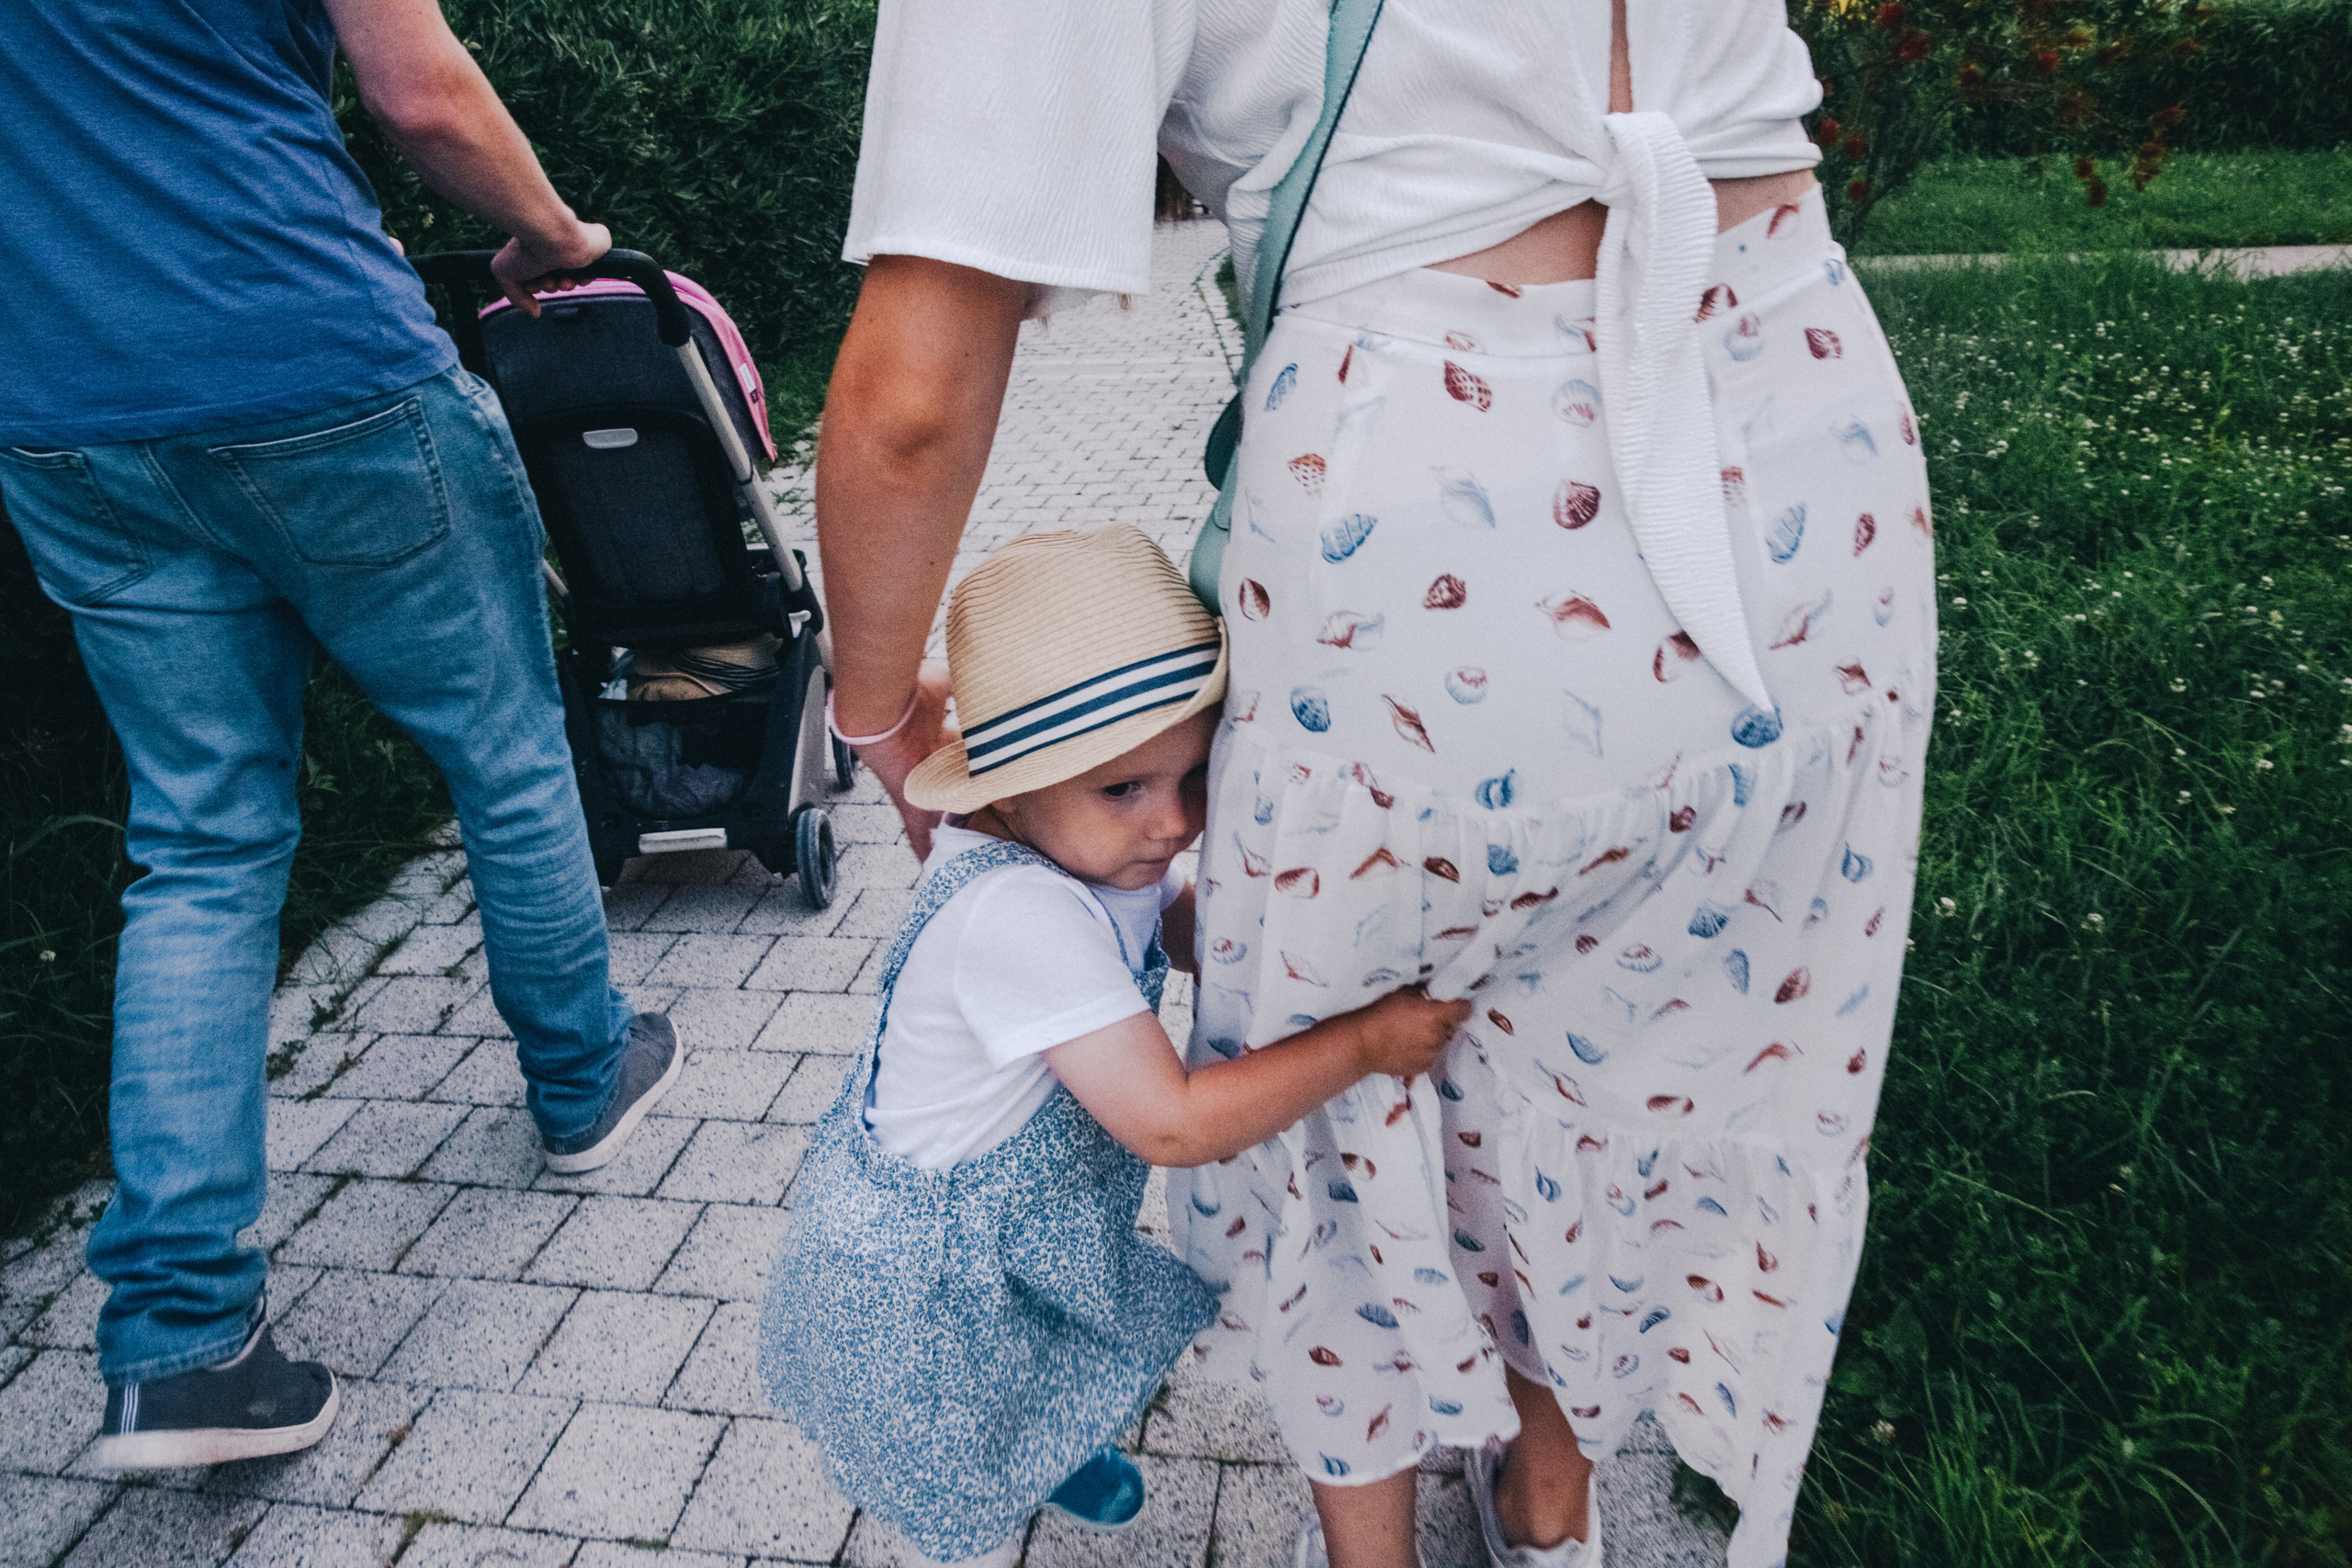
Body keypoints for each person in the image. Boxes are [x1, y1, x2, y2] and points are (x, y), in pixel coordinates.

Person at [814, 4, 1936, 1565]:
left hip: (1442, 480)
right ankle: (1552, 1510)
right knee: (1629, 1053)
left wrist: (877, 713)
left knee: (1350, 1095)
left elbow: (912, 402)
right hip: (1814, 454)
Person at [0, 0, 684, 1470]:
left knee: (200, 841)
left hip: (64, 418)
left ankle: (180, 1336)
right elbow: (421, 95)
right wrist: (557, 236)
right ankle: (583, 1079)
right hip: (318, 366)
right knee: (504, 747)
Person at [761, 525, 1472, 1568]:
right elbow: (1174, 1125)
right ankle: (1001, 1477)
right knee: (964, 1445)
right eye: (1124, 789)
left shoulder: (1072, 842)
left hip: (1008, 1219)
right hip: (929, 1274)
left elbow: (1188, 932)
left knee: (1041, 1350)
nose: (1172, 823)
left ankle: (1043, 1441)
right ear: (1004, 786)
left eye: (1193, 775)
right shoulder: (1020, 917)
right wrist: (1365, 1042)